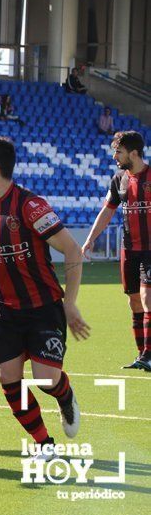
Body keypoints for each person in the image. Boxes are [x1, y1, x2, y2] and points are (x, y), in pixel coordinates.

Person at [0, 136, 89, 462]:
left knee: (45, 379)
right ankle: (45, 445)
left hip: (42, 307)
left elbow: (70, 250)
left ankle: (64, 395)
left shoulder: (29, 206)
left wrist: (70, 302)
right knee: (8, 378)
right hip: (0, 308)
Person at [81, 131, 150, 369]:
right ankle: (142, 355)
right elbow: (108, 210)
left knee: (147, 299)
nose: (114, 157)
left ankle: (149, 356)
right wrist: (90, 239)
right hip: (129, 249)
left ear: (133, 153)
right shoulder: (118, 179)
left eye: (118, 152)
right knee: (134, 301)